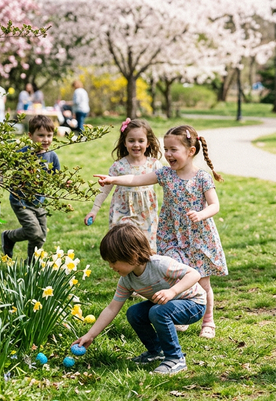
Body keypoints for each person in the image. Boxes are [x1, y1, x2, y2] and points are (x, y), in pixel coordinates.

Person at [94, 125, 227, 339]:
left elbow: (215, 205)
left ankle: (208, 321)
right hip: (172, 235)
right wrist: (114, 180)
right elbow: (136, 180)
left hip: (199, 237)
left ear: (190, 151)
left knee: (202, 281)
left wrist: (201, 214)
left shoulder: (202, 177)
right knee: (173, 279)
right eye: (166, 149)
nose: (168, 154)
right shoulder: (165, 174)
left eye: (173, 149)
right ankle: (178, 313)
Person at [71, 223, 207, 375]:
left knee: (158, 312)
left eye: (113, 261)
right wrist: (90, 335)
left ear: (132, 255)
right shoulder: (127, 280)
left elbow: (194, 274)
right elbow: (111, 308)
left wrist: (172, 291)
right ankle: (156, 352)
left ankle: (175, 359)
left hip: (194, 303)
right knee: (134, 312)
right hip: (165, 306)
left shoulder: (160, 265)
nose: (110, 266)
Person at [85, 118, 163, 251]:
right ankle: (125, 271)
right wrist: (94, 210)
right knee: (123, 243)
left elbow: (168, 185)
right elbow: (104, 190)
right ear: (125, 143)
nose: (136, 144)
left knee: (146, 246)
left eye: (141, 141)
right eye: (131, 140)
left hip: (146, 213)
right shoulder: (118, 166)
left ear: (148, 143)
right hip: (122, 210)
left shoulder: (154, 164)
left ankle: (145, 271)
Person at [2, 115, 59, 262]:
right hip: (20, 201)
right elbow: (4, 165)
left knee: (41, 236)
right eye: (41, 135)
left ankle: (31, 265)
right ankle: (8, 236)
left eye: (49, 135)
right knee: (35, 233)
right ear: (30, 136)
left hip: (39, 202)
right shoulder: (23, 154)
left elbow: (55, 176)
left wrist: (65, 183)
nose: (46, 139)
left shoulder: (52, 156)